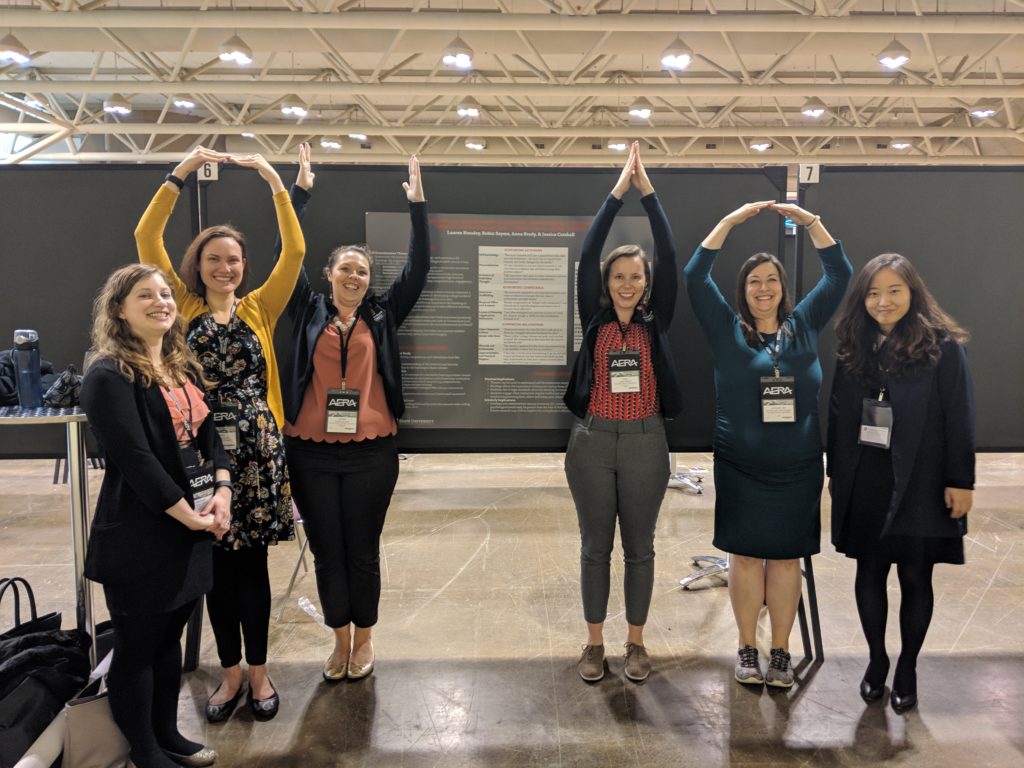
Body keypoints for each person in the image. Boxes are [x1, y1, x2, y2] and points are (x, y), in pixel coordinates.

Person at [135, 145, 306, 722]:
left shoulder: (261, 308)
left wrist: (275, 184)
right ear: (197, 264)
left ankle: (258, 674)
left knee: (252, 568)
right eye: (213, 258)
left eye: (232, 259)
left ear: (243, 266)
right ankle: (228, 673)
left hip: (259, 451)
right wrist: (179, 174)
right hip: (204, 453)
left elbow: (297, 250)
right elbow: (145, 238)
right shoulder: (180, 306)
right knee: (214, 570)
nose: (224, 267)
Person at [684, 201, 851, 688]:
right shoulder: (727, 330)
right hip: (740, 466)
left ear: (783, 288)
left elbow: (839, 273)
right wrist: (728, 222)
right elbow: (696, 276)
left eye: (771, 280)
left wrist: (812, 222)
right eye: (754, 281)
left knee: (785, 558)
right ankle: (746, 648)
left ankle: (780, 650)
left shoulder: (804, 324)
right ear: (744, 290)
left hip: (797, 466)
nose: (763, 288)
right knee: (746, 558)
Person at [278, 155, 428, 681]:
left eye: (362, 271)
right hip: (310, 451)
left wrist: (417, 207)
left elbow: (420, 269)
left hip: (371, 451)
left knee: (361, 550)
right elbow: (285, 255)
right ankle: (338, 640)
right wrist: (298, 194)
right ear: (329, 273)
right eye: (346, 268)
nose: (354, 277)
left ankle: (364, 639)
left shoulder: (383, 314)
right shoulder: (307, 309)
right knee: (326, 550)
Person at [81, 264, 231, 768]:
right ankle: (145, 751)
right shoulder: (107, 374)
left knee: (169, 641)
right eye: (144, 295)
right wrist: (187, 514)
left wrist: (224, 491)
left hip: (193, 526)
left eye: (165, 293)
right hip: (141, 533)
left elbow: (211, 437)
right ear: (119, 309)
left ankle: (168, 734)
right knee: (138, 646)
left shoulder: (179, 365)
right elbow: (136, 458)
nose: (160, 302)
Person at [828, 253, 974, 714]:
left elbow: (959, 415)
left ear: (913, 293)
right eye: (873, 292)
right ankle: (876, 660)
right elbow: (836, 414)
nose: (882, 301)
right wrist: (836, 473)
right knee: (868, 571)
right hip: (866, 477)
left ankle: (908, 666)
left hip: (923, 480)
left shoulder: (943, 346)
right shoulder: (853, 344)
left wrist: (960, 479)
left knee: (916, 575)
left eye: (894, 290)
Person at [564, 142, 681, 683]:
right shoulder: (597, 320)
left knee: (640, 547)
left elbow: (672, 257)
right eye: (619, 277)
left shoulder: (656, 321)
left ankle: (635, 642)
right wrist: (617, 193)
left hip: (645, 442)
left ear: (647, 283)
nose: (627, 284)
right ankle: (594, 645)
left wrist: (650, 195)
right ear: (607, 283)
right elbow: (588, 255)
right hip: (592, 443)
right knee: (595, 547)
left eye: (636, 276)